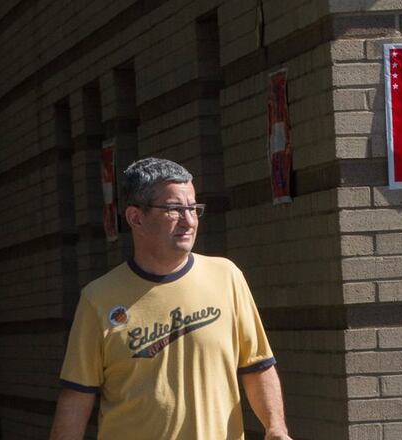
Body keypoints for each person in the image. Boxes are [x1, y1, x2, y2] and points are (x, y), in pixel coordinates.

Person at [49, 158, 291, 440]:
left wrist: (276, 428)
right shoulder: (98, 299)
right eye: (174, 210)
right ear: (136, 218)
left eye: (193, 208)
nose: (189, 221)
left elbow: (257, 366)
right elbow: (77, 397)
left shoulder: (227, 277)